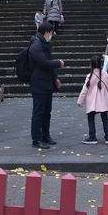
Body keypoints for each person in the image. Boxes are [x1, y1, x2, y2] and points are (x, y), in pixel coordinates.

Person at [28, 21, 64, 149]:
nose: (52, 35)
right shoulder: (36, 45)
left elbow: (47, 62)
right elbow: (43, 62)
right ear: (46, 32)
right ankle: (36, 139)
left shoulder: (44, 44)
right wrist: (58, 63)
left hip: (47, 82)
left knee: (47, 111)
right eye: (51, 32)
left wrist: (55, 78)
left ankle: (45, 135)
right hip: (39, 83)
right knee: (39, 112)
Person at [78, 54, 108, 145]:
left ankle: (92, 136)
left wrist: (80, 101)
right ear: (101, 65)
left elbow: (84, 90)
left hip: (92, 102)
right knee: (105, 118)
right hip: (103, 101)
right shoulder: (105, 74)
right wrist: (106, 92)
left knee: (91, 118)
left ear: (91, 65)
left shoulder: (89, 76)